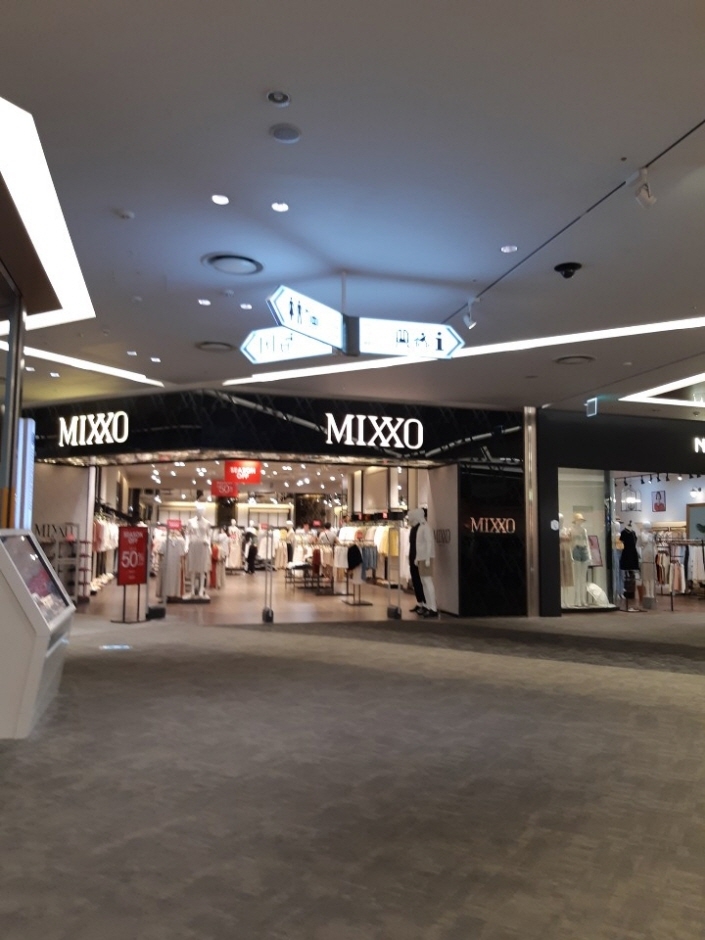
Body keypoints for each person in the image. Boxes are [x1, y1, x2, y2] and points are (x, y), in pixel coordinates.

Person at [407, 507, 438, 618]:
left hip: (425, 558)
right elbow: (419, 545)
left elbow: (429, 542)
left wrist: (428, 558)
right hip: (421, 558)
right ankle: (428, 606)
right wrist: (417, 558)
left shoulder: (426, 527)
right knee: (424, 582)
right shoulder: (420, 527)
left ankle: (433, 608)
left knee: (427, 582)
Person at [184, 503, 211, 598]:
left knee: (202, 569)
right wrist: (186, 545)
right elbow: (187, 534)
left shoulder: (207, 523)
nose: (200, 512)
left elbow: (208, 535)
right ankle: (192, 590)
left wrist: (209, 545)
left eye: (202, 511)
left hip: (203, 546)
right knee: (192, 568)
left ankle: (201, 590)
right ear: (196, 511)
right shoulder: (190, 521)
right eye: (198, 510)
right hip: (193, 545)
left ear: (204, 512)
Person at [570, 513, 590, 607]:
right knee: (577, 577)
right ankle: (577, 600)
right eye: (579, 520)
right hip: (576, 550)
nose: (580, 522)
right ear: (575, 521)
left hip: (584, 550)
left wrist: (589, 555)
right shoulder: (571, 530)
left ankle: (583, 599)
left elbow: (587, 542)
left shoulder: (584, 530)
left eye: (581, 520)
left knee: (583, 578)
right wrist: (571, 555)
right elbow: (570, 544)